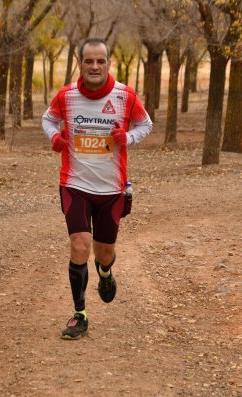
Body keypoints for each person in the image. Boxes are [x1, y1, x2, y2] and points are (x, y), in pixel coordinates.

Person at [41, 37, 153, 340]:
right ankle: (80, 314)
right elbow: (48, 120)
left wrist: (127, 138)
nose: (94, 66)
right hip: (74, 185)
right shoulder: (66, 96)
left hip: (111, 190)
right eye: (88, 61)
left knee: (104, 253)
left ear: (108, 64)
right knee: (80, 246)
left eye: (100, 61)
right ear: (80, 64)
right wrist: (54, 137)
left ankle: (105, 273)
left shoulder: (125, 96)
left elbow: (146, 125)